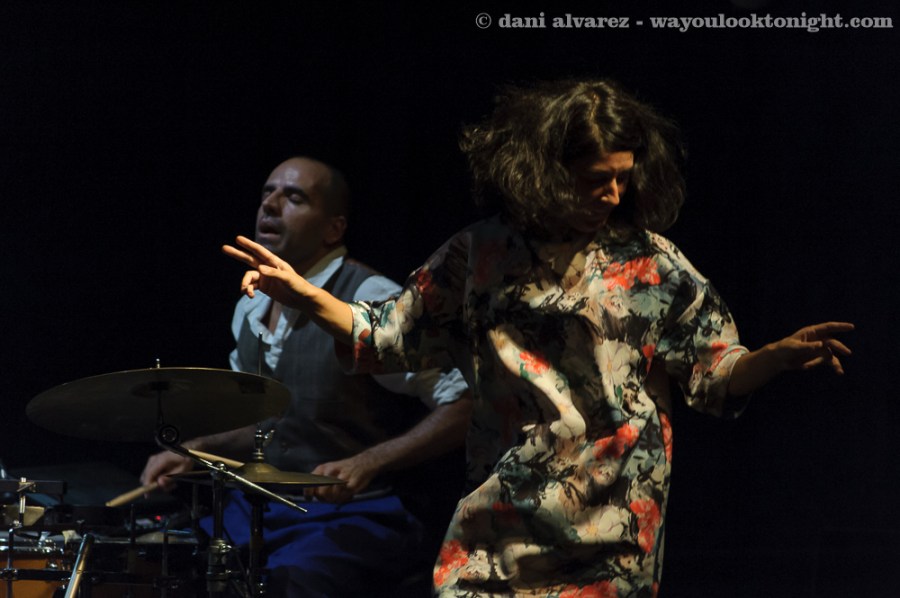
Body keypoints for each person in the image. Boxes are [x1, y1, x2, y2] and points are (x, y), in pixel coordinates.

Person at [222, 80, 854, 597]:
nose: (611, 194)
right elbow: (386, 333)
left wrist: (769, 359)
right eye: (594, 178)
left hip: (610, 522)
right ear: (545, 173)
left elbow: (713, 370)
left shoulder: (650, 263)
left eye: (622, 177)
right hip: (500, 513)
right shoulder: (480, 255)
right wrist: (305, 293)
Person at [142, 156, 472, 596]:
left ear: (334, 229)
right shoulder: (251, 304)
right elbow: (272, 426)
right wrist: (197, 452)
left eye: (294, 197)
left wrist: (369, 461)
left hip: (357, 514)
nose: (270, 205)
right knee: (176, 557)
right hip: (266, 508)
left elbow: (465, 404)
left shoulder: (370, 297)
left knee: (294, 579)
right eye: (267, 193)